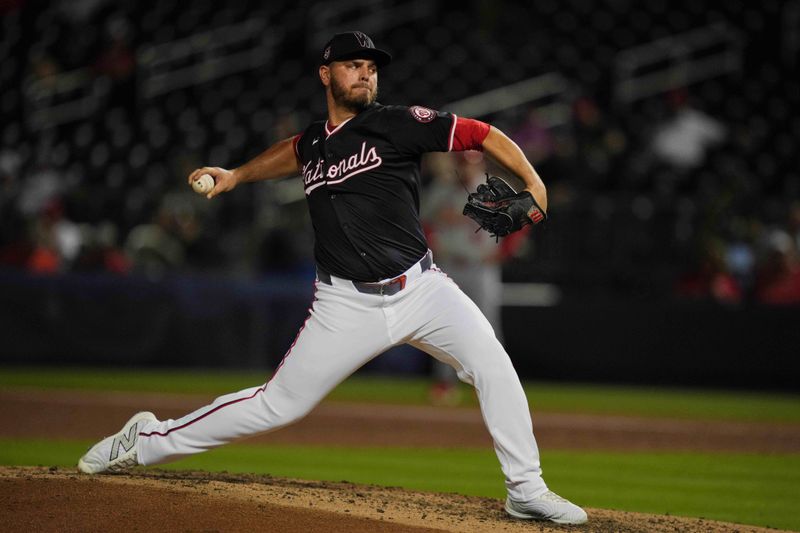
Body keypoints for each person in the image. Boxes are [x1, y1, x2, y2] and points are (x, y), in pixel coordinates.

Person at [78, 31, 587, 525]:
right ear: (326, 74)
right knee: (276, 406)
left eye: (371, 68)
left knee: (493, 365)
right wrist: (236, 175)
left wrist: (534, 182)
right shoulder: (316, 142)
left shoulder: (397, 123)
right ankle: (145, 440)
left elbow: (483, 133)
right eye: (353, 66)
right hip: (345, 305)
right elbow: (294, 151)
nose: (366, 74)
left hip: (424, 289)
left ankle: (526, 490)